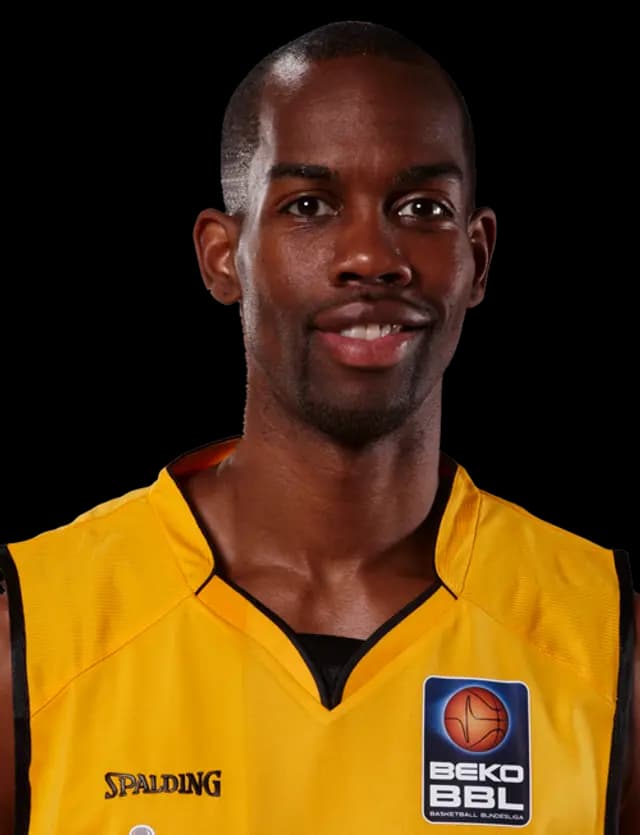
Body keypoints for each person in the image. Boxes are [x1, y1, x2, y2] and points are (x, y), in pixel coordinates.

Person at [0, 19, 637, 834]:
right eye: (309, 205)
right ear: (222, 255)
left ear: (477, 257)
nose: (372, 256)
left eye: (422, 207)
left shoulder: (604, 638)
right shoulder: (37, 629)